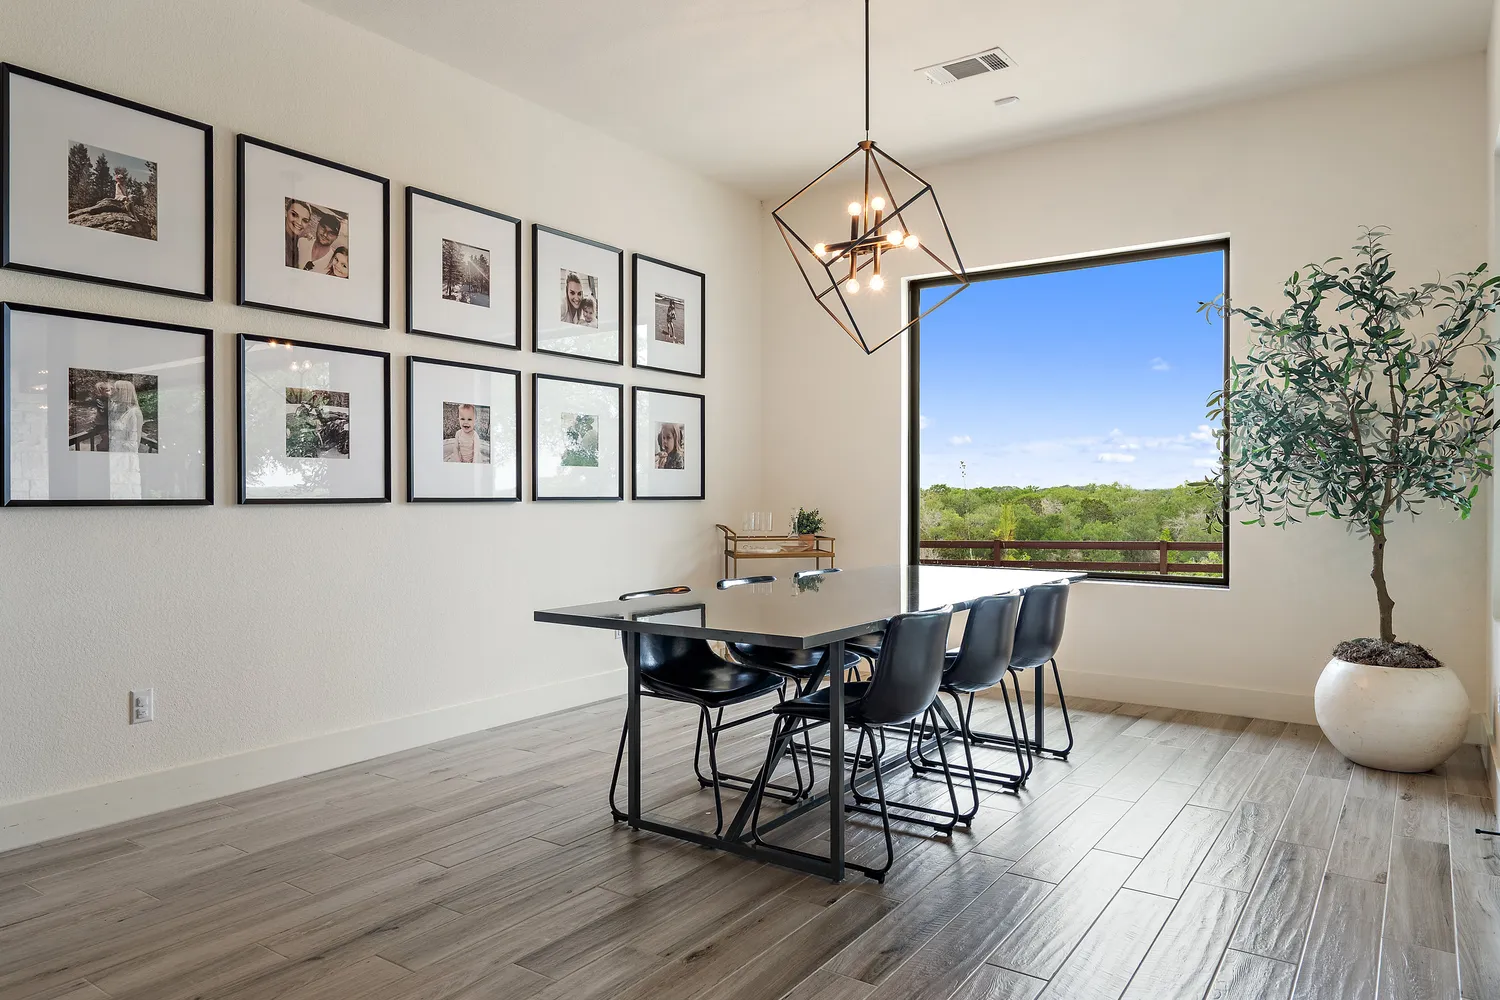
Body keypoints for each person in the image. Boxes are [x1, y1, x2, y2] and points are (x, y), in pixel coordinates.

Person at [108, 379, 144, 500]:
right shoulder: (119, 410)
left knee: (125, 491)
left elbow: (134, 444)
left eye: (115, 389)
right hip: (115, 456)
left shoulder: (134, 413)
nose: (112, 392)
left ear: (123, 392)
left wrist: (116, 441)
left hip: (126, 460)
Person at [285, 200, 312, 268]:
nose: (299, 223)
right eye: (294, 215)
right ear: (285, 212)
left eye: (305, 220)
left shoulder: (298, 240)